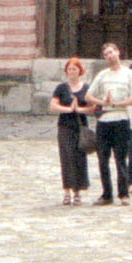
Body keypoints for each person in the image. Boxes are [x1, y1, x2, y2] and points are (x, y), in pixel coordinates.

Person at [86, 41, 132, 205]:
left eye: (111, 52)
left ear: (118, 52)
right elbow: (88, 96)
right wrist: (102, 102)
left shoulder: (129, 74)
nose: (109, 56)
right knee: (103, 159)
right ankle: (107, 194)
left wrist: (117, 103)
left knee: (120, 159)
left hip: (121, 119)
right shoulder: (102, 75)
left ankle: (123, 194)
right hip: (104, 121)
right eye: (106, 54)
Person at [49, 55, 92, 206]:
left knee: (79, 158)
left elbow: (92, 107)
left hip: (80, 127)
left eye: (74, 69)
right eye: (69, 69)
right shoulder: (61, 88)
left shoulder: (86, 88)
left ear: (80, 71)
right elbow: (53, 105)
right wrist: (68, 109)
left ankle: (77, 191)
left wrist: (79, 109)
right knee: (66, 158)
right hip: (65, 127)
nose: (72, 71)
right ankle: (67, 191)